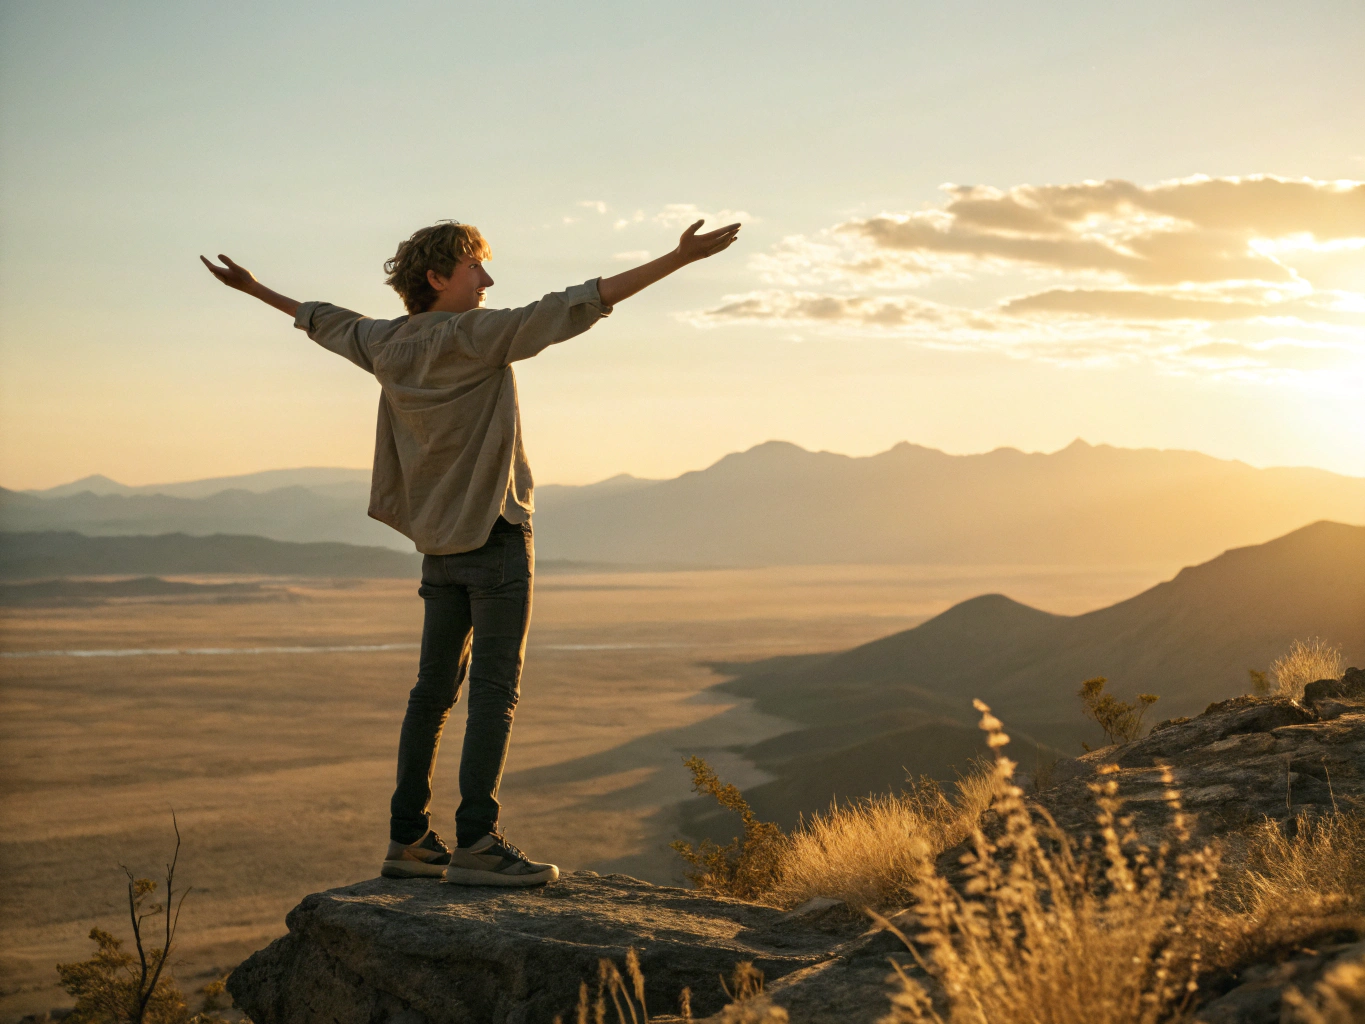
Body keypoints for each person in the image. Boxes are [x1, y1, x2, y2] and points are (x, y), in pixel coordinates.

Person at [201, 216, 740, 886]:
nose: (487, 280)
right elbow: (581, 301)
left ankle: (408, 840)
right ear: (436, 278)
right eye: (474, 268)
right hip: (495, 535)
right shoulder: (479, 336)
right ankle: (477, 843)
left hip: (436, 546)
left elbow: (320, 318)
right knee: (493, 690)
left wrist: (253, 288)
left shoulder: (382, 343)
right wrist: (678, 258)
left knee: (430, 693)